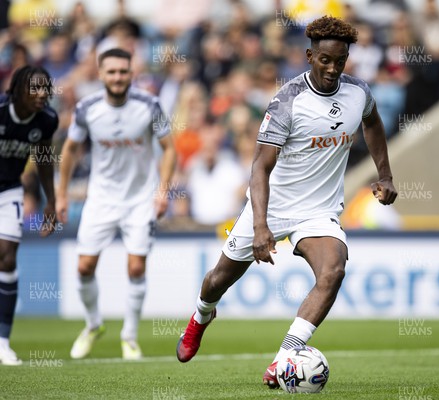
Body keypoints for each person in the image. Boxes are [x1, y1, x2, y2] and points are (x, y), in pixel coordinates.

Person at [176, 16, 398, 389]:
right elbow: (260, 168)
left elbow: (372, 122)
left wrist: (386, 175)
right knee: (218, 280)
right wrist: (261, 226)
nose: (332, 68)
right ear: (310, 56)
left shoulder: (358, 92)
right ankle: (200, 317)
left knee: (333, 270)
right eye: (324, 60)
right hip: (271, 204)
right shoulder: (287, 101)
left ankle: (283, 360)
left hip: (319, 210)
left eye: (340, 61)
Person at [56, 48, 176, 360]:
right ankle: (93, 324)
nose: (118, 77)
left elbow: (169, 149)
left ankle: (130, 337)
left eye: (123, 71)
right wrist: (61, 194)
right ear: (100, 75)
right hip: (101, 198)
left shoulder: (149, 105)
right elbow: (69, 149)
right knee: (84, 266)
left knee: (135, 266)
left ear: (131, 73)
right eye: (111, 72)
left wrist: (162, 191)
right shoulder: (87, 109)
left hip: (139, 200)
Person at [0, 65, 59, 365]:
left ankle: (3, 342)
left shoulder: (47, 120)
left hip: (10, 189)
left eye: (45, 88)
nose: (41, 94)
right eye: (34, 88)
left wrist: (51, 200)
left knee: (7, 257)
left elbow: (44, 158)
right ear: (17, 89)